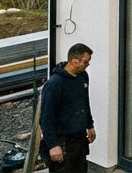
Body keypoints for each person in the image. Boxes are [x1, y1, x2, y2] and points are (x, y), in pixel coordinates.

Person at [40, 43, 95, 172]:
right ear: (74, 61)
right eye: (85, 62)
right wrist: (53, 145)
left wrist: (90, 125)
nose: (87, 65)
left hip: (79, 140)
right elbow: (46, 117)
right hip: (62, 142)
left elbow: (85, 102)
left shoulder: (83, 77)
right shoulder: (54, 84)